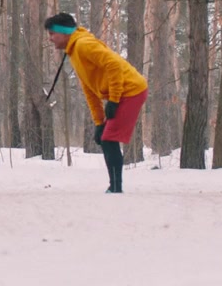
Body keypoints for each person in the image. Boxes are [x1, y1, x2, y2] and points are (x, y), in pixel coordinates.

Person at [44, 12, 148, 193]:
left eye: (53, 33)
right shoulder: (74, 51)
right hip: (123, 92)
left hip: (132, 90)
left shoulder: (83, 45)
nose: (50, 38)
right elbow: (89, 89)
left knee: (109, 138)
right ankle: (115, 187)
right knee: (106, 137)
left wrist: (113, 100)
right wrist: (99, 122)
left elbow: (114, 65)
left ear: (64, 32)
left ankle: (115, 189)